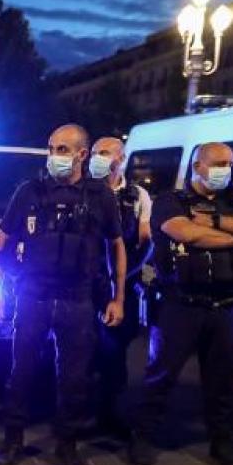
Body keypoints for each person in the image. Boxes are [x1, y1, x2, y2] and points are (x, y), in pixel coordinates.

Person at [131, 142, 233, 465]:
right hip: (181, 305)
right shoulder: (171, 201)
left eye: (230, 163)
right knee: (161, 376)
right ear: (197, 166)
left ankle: (222, 443)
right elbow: (185, 233)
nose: (226, 168)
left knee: (222, 381)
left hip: (228, 307)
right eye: (218, 162)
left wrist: (214, 221)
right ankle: (142, 436)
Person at [0, 124, 126, 465]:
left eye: (62, 150)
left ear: (82, 154)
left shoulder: (100, 197)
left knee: (75, 377)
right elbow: (2, 241)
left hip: (77, 299)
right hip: (33, 296)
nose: (55, 157)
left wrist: (118, 297)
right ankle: (13, 440)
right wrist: (3, 287)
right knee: (21, 373)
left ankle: (68, 445)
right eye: (51, 148)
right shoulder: (29, 192)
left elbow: (116, 245)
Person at [88, 136, 152, 436]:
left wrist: (122, 284)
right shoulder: (82, 189)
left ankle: (107, 414)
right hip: (85, 284)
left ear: (121, 158)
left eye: (104, 153)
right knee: (80, 352)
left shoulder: (137, 196)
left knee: (114, 355)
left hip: (121, 285)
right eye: (95, 152)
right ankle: (74, 415)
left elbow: (144, 241)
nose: (97, 157)